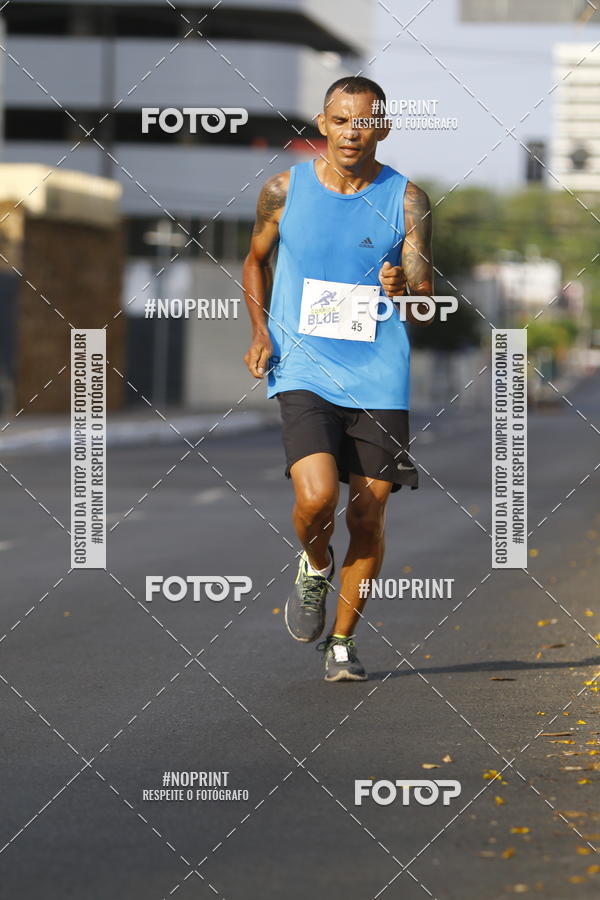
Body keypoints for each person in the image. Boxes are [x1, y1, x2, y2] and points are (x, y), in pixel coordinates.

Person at [242, 76, 433, 682]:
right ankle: (315, 564)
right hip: (303, 366)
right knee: (317, 498)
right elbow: (255, 259)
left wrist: (405, 290)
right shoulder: (283, 189)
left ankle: (343, 643)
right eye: (342, 120)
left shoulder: (407, 199)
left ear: (383, 126)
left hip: (378, 372)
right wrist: (261, 331)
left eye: (365, 120)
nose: (353, 131)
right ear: (322, 124)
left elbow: (423, 295)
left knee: (368, 517)